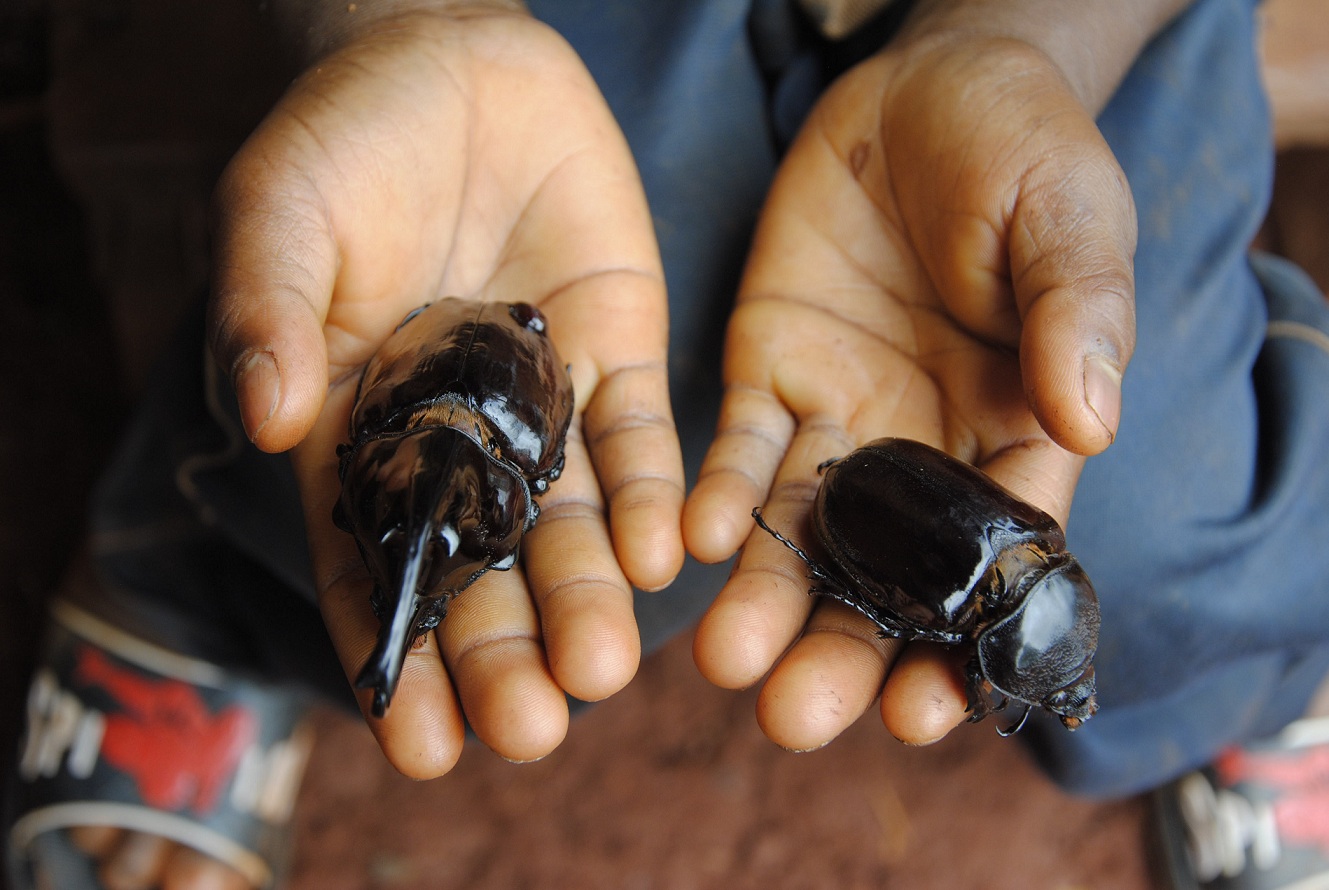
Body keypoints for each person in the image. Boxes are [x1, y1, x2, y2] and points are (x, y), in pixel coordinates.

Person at [7, 0, 1329, 888]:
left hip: (1073, 37)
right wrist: (394, 20)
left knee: (1156, 499)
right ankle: (204, 582)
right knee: (329, 418)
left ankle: (1255, 675)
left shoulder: (1019, 566)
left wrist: (1018, 39)